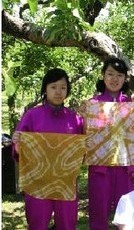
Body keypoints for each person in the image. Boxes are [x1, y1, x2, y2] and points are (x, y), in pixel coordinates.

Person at [12, 68, 84, 230]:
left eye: (63, 87)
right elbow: (20, 152)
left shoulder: (75, 119)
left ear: (68, 90)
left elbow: (82, 152)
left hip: (65, 184)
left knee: (67, 224)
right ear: (45, 89)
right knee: (37, 224)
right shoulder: (32, 115)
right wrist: (17, 144)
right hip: (37, 183)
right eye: (53, 87)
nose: (58, 92)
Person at [86, 57, 134, 230]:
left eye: (119, 75)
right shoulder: (92, 105)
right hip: (100, 168)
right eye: (110, 74)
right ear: (102, 76)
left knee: (126, 216)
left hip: (125, 167)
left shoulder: (132, 104)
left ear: (125, 79)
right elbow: (85, 135)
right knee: (98, 214)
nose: (115, 79)